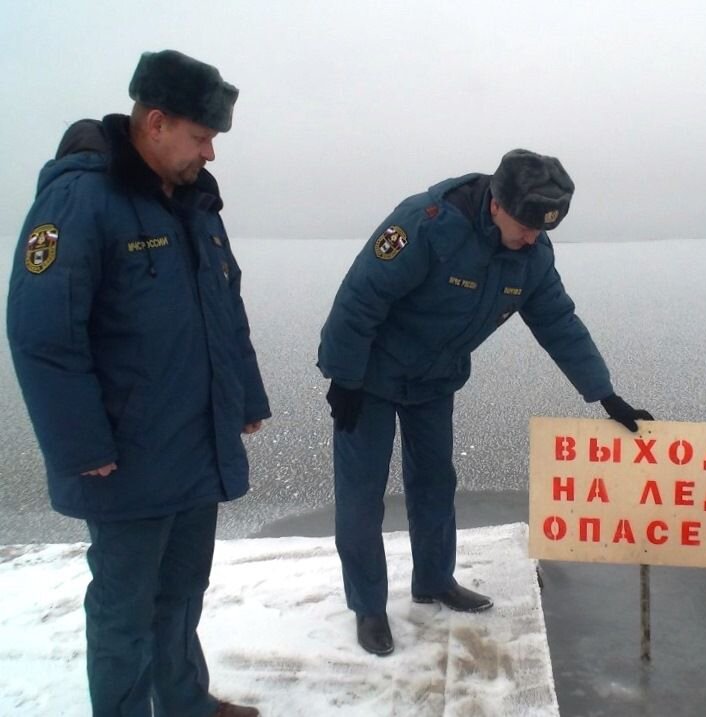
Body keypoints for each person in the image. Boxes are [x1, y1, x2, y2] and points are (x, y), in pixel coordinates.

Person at [7, 50, 270, 717]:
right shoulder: (81, 200)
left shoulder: (194, 203)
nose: (210, 152)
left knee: (182, 592)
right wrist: (81, 444)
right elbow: (42, 332)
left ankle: (184, 702)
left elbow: (225, 304)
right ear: (155, 122)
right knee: (124, 610)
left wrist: (245, 393)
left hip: (196, 441)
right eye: (201, 136)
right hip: (124, 454)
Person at [317, 148, 653, 656]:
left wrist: (605, 394)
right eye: (526, 226)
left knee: (435, 482)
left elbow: (558, 322)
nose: (533, 237)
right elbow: (360, 296)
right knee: (362, 495)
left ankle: (435, 580)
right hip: (370, 377)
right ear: (497, 204)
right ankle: (368, 607)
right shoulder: (426, 224)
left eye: (543, 229)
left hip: (434, 380)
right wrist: (343, 378)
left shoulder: (532, 256)